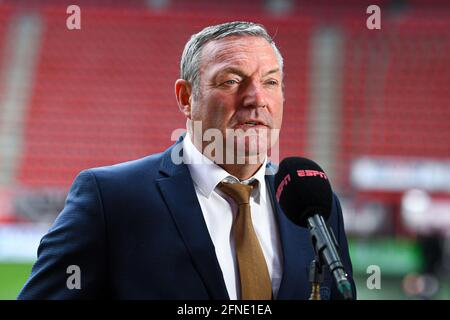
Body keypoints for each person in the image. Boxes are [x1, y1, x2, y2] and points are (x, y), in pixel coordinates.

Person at [18, 21, 355, 300]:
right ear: (186, 97)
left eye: (270, 81)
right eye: (232, 81)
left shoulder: (314, 206)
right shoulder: (110, 199)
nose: (256, 98)